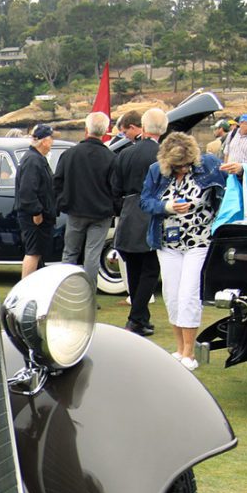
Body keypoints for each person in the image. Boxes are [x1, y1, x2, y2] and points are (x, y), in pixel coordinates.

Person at [141, 132, 225, 371]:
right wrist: (167, 207)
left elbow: (229, 190)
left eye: (186, 166)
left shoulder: (208, 164)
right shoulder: (156, 170)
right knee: (172, 294)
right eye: (176, 167)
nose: (182, 171)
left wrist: (241, 170)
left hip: (199, 241)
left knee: (189, 293)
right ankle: (179, 349)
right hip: (167, 242)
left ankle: (190, 351)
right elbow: (144, 201)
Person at [112, 107, 166, 336]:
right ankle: (136, 318)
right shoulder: (162, 154)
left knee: (134, 267)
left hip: (128, 210)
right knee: (150, 269)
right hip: (151, 211)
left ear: (143, 128)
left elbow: (115, 187)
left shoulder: (125, 153)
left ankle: (140, 318)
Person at [53, 111, 116, 291]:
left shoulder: (70, 154)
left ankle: (65, 290)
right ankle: (88, 293)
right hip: (101, 213)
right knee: (92, 255)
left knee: (70, 253)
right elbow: (115, 188)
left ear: (86, 129)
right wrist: (113, 207)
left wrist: (63, 202)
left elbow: (58, 181)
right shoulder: (110, 157)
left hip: (75, 211)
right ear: (105, 131)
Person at [14, 124, 56, 278]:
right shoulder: (33, 160)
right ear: (44, 141)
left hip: (40, 215)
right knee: (33, 252)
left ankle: (34, 283)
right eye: (51, 138)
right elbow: (27, 190)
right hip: (34, 217)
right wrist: (36, 212)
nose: (52, 142)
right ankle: (25, 286)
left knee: (38, 252)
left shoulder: (37, 158)